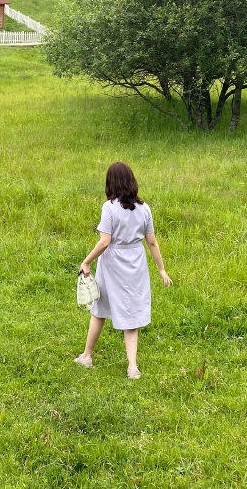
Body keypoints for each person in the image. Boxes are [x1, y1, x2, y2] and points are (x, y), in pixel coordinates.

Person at [74, 161, 170, 379]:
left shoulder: (109, 208)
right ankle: (132, 367)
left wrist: (86, 261)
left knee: (99, 309)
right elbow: (152, 242)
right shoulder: (144, 208)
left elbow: (104, 241)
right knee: (131, 312)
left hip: (112, 263)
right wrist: (161, 270)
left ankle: (87, 356)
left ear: (111, 183)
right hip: (135, 261)